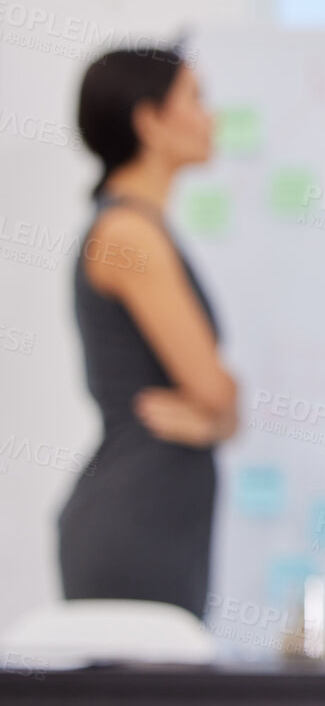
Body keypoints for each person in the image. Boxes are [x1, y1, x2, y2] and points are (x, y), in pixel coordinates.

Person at [61, 46, 238, 619]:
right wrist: (220, 411)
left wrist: (219, 416)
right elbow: (215, 391)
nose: (211, 117)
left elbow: (220, 407)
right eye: (196, 99)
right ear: (150, 121)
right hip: (136, 513)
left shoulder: (144, 228)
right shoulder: (129, 236)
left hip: (159, 507)